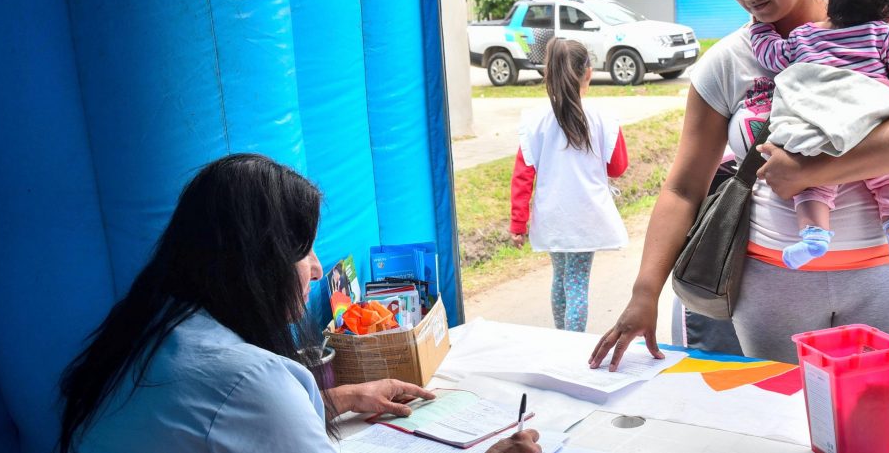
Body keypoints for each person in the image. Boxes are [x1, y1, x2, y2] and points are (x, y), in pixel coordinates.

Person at [587, 0, 889, 387]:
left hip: (886, 272)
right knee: (783, 420)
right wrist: (645, 293)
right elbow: (683, 188)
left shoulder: (872, 27)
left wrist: (810, 172)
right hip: (773, 280)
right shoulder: (727, 61)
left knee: (886, 417)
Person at [58, 154, 540, 453]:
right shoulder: (248, 381)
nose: (315, 268)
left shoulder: (156, 327)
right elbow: (244, 408)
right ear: (256, 263)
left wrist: (342, 397)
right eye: (302, 250)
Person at [749, 0, 889, 269]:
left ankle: (814, 234)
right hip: (869, 127)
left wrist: (759, 28)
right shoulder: (882, 35)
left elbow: (770, 54)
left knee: (811, 185)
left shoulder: (805, 36)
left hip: (819, 127)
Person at [510, 38, 629, 333]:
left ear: (547, 74)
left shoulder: (534, 120)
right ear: (587, 72)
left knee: (560, 278)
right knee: (577, 285)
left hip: (552, 217)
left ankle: (560, 338)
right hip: (584, 217)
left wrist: (518, 224)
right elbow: (618, 167)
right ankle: (572, 346)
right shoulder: (604, 119)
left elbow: (522, 175)